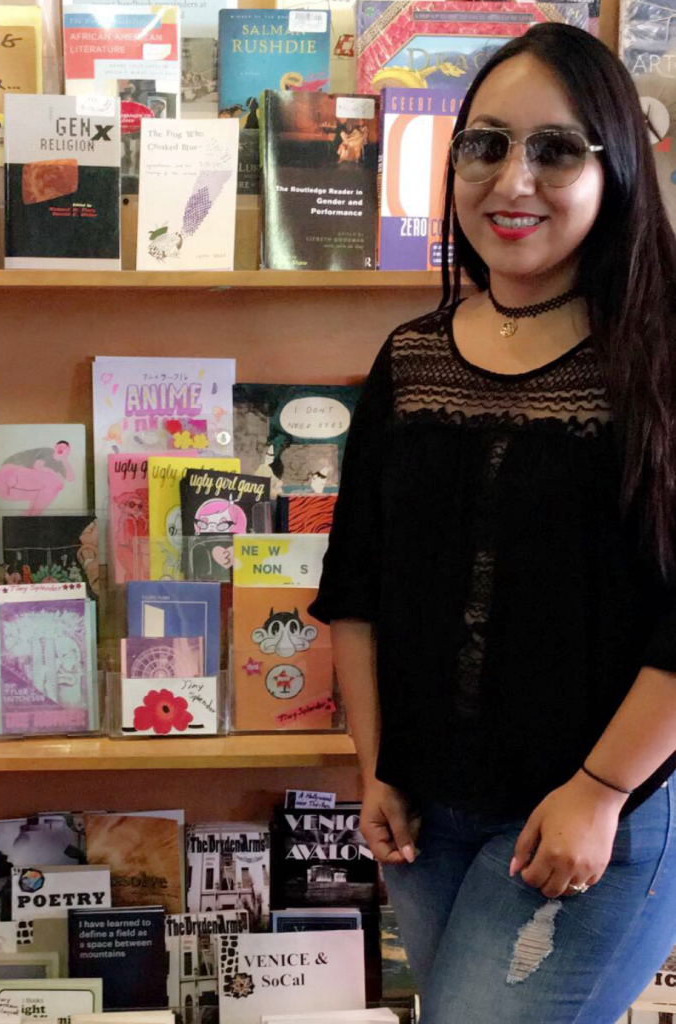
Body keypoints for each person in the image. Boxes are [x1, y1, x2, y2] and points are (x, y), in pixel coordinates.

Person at [310, 24, 676, 1024]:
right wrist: (374, 761)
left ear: (614, 166)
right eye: (484, 145)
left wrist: (598, 790)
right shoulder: (411, 356)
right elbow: (357, 583)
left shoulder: (655, 358)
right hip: (426, 815)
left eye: (554, 149)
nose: (511, 180)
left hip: (592, 815)